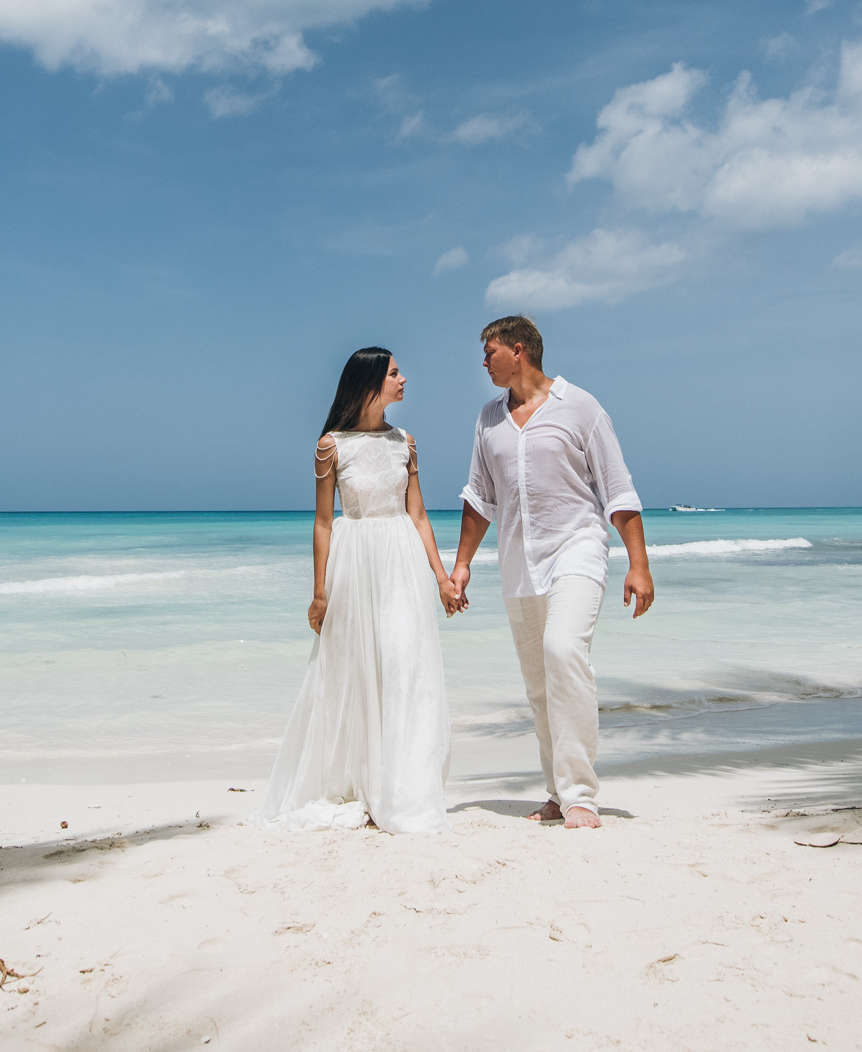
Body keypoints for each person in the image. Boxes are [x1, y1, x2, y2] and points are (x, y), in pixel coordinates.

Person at [449, 315, 654, 830]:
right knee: (539, 687)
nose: (483, 361)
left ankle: (582, 794)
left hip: (578, 549)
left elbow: (618, 489)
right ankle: (558, 793)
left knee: (564, 652)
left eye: (489, 351)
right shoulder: (488, 419)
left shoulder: (581, 407)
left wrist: (639, 564)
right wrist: (462, 564)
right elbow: (480, 498)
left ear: (518, 351)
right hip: (519, 563)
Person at [258, 347, 463, 833]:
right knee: (353, 670)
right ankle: (357, 779)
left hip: (401, 563)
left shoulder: (406, 442)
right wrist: (319, 592)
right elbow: (324, 523)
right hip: (354, 564)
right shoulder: (331, 445)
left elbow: (418, 514)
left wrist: (440, 576)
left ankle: (401, 783)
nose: (404, 379)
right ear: (371, 382)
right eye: (395, 373)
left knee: (402, 665)